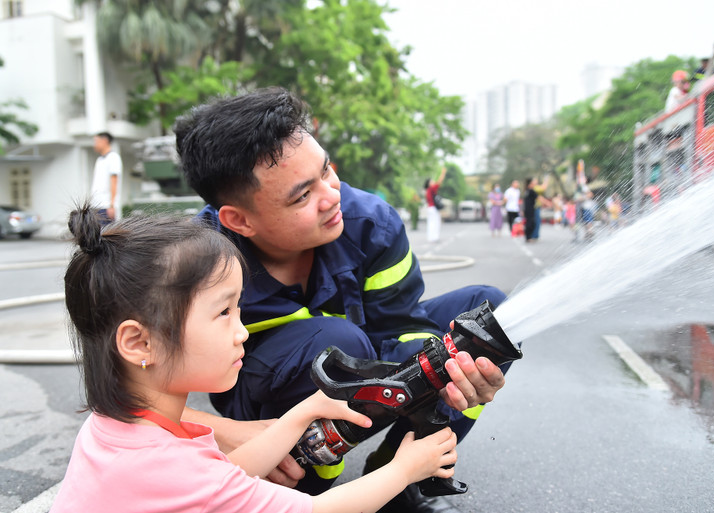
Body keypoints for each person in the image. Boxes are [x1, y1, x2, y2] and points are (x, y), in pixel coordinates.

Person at [174, 88, 508, 513]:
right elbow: (123, 396)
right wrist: (228, 433)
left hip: (364, 372)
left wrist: (452, 374)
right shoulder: (187, 266)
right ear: (239, 220)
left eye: (326, 170)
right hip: (259, 408)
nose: (332, 196)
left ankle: (398, 479)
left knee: (487, 320)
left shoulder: (371, 224)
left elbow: (400, 332)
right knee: (336, 342)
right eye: (302, 196)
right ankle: (302, 496)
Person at [51, 204, 458, 513]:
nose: (242, 331)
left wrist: (301, 414)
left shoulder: (116, 429)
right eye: (224, 312)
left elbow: (225, 474)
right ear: (140, 344)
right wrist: (405, 469)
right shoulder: (163, 466)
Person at [90, 131, 122, 225]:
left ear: (104, 141)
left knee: (106, 235)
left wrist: (112, 205)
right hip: (96, 205)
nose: (94, 144)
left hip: (106, 206)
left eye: (96, 141)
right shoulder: (99, 160)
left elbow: (114, 181)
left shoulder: (113, 158)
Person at [424, 166, 447, 242]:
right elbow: (439, 181)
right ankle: (434, 237)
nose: (433, 182)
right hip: (433, 208)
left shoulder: (427, 190)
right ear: (429, 184)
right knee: (435, 222)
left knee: (431, 223)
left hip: (429, 208)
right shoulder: (431, 189)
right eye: (432, 181)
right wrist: (443, 173)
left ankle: (431, 237)